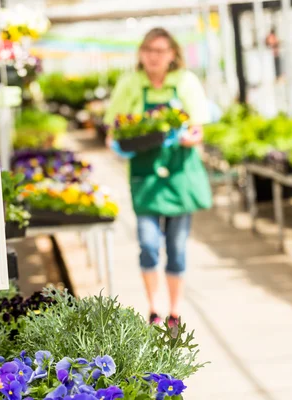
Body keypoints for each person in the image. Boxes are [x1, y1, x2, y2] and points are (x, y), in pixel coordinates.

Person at [103, 27, 212, 327]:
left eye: (161, 51)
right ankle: (154, 309)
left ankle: (174, 311)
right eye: (149, 50)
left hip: (179, 175)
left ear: (173, 54)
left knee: (177, 247)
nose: (154, 57)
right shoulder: (130, 84)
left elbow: (198, 130)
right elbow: (113, 131)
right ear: (141, 54)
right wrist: (119, 145)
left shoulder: (186, 82)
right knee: (149, 245)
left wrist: (181, 137)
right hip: (145, 176)